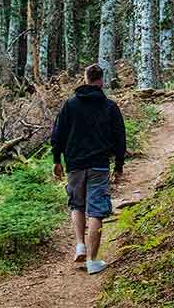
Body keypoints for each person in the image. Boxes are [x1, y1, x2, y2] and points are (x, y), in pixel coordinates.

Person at [51, 61, 126, 275]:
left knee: (77, 204)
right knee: (97, 210)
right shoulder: (110, 106)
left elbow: (58, 135)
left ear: (85, 79)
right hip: (100, 165)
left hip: (74, 164)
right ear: (101, 80)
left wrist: (57, 160)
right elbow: (120, 137)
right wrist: (119, 165)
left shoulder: (70, 104)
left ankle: (79, 245)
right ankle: (93, 261)